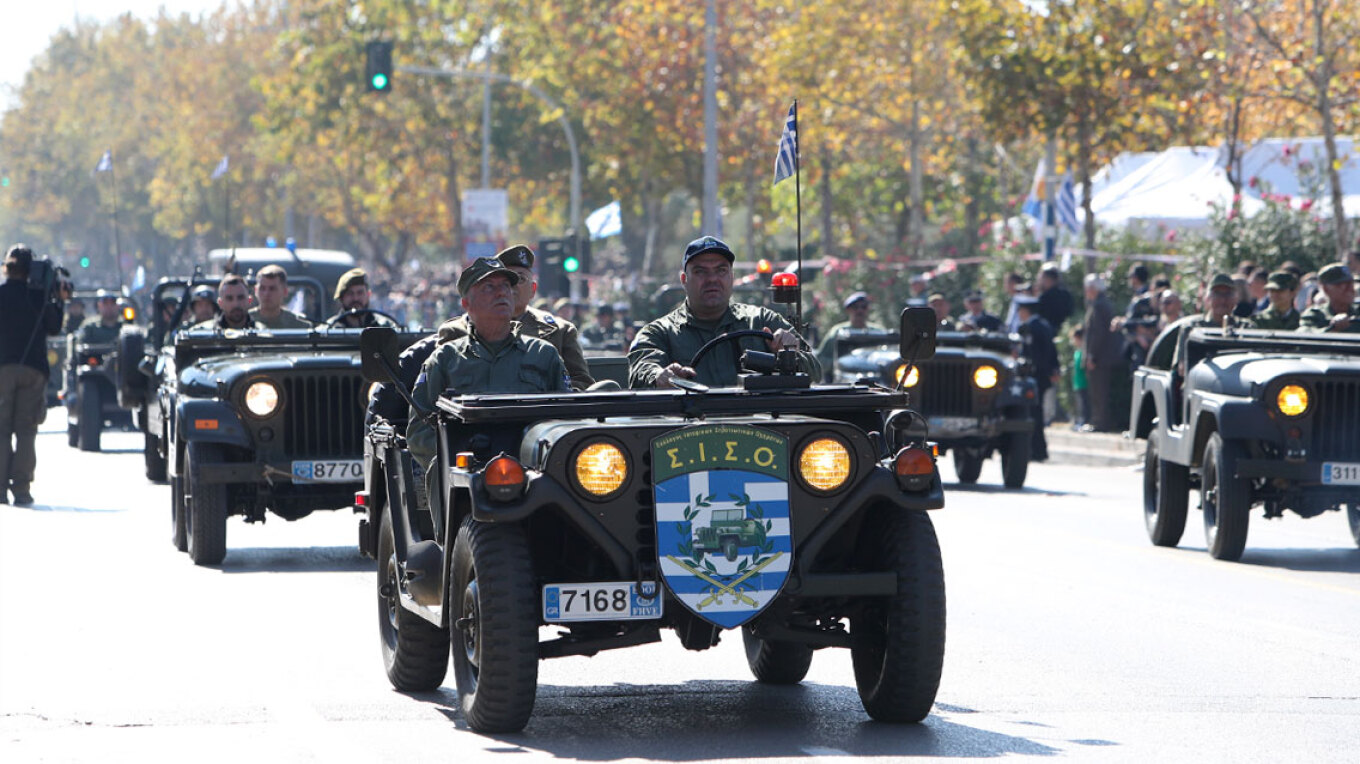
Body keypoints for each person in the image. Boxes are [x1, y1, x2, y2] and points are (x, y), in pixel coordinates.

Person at [408, 257, 570, 471]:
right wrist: (456, 460)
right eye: (489, 287)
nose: (502, 292)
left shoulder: (543, 355)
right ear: (467, 304)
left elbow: (567, 421)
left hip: (534, 477)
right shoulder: (445, 360)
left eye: (505, 286)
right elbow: (419, 432)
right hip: (464, 482)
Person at [629, 235, 819, 388]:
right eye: (701, 271)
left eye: (721, 270)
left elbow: (815, 371)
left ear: (732, 277)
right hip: (689, 429)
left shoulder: (762, 321)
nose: (712, 279)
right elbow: (639, 368)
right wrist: (659, 377)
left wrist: (790, 354)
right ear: (684, 280)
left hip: (759, 428)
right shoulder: (660, 333)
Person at [438, 245, 594, 390]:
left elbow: (581, 385)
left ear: (533, 289)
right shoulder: (457, 332)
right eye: (499, 282)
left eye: (519, 279)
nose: (508, 288)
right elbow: (437, 394)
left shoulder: (559, 331)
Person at [0, 245, 64, 505]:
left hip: (2, 369)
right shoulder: (38, 297)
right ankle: (22, 488)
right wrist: (55, 297)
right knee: (27, 430)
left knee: (1, 430)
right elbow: (55, 327)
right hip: (34, 369)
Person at [1015, 295, 1057, 461]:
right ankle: (1039, 450)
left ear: (1026, 311)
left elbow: (1032, 354)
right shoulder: (1043, 325)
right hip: (1043, 375)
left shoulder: (1031, 328)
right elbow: (1052, 350)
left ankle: (1036, 450)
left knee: (1032, 414)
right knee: (1036, 413)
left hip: (1035, 376)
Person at [1081, 274, 1122, 432]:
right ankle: (1098, 420)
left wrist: (1091, 355)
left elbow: (1097, 333)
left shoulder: (1099, 305)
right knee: (1098, 391)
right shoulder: (1100, 303)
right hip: (1102, 357)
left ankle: (1100, 422)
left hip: (1100, 358)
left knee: (1099, 392)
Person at [816, 291, 886, 372]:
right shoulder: (838, 332)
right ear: (848, 310)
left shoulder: (878, 332)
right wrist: (839, 365)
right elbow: (821, 359)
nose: (860, 310)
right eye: (855, 307)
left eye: (863, 307)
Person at [1298, 264, 1357, 333]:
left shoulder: (1357, 312)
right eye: (1342, 285)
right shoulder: (1315, 315)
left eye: (1352, 284)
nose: (1350, 289)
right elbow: (1303, 334)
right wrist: (1332, 329)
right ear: (1326, 289)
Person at [328, 268, 398, 328]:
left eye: (360, 293)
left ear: (368, 295)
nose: (355, 298)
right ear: (341, 298)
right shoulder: (329, 329)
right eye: (350, 294)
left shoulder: (385, 327)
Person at [248, 265, 312, 329]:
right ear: (256, 290)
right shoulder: (244, 320)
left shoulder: (299, 326)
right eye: (262, 288)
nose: (266, 293)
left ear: (285, 291)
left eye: (272, 289)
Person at [194, 275, 262, 330]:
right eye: (229, 299)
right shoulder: (203, 334)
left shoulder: (263, 333)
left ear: (249, 300)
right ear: (220, 303)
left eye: (240, 298)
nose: (235, 304)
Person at [1036, 262, 1074, 331]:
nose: (1039, 281)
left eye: (1041, 278)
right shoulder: (1066, 294)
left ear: (1048, 279)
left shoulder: (1044, 298)